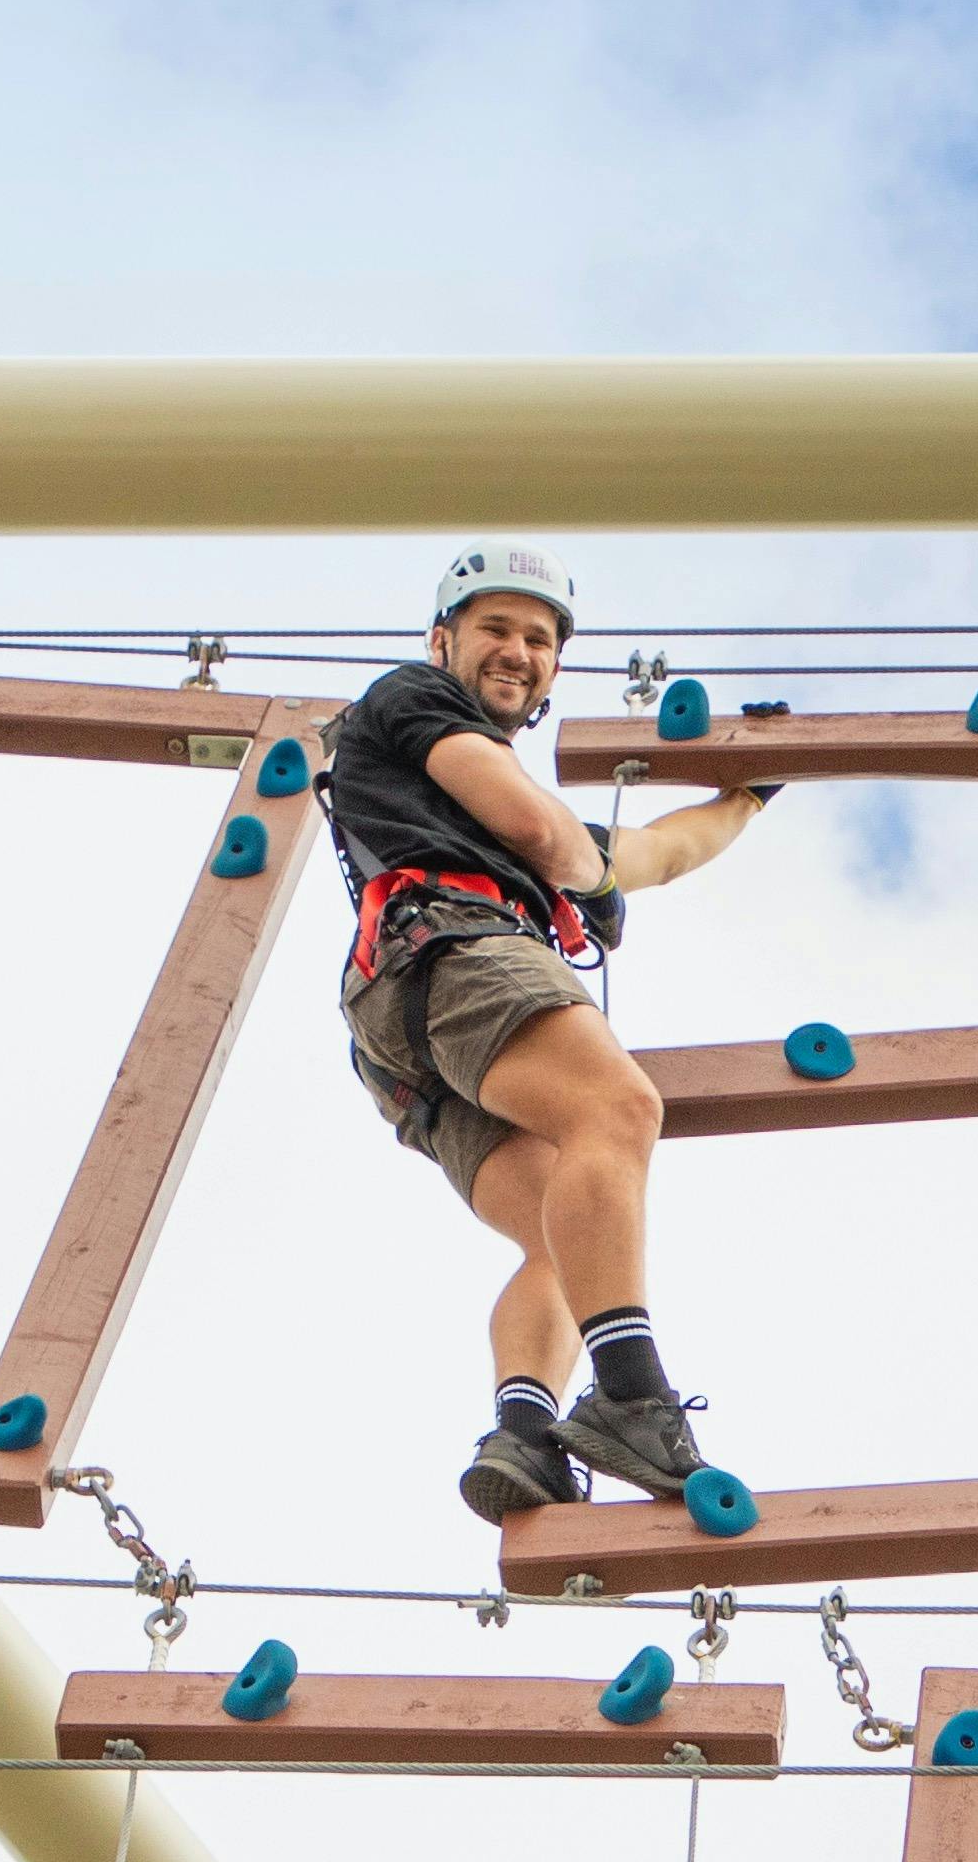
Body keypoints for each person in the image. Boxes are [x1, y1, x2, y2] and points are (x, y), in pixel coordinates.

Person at [321, 545, 788, 1523]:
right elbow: (538, 831)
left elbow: (659, 852)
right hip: (451, 945)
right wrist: (590, 876)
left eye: (539, 639)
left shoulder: (517, 820)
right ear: (442, 640)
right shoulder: (413, 699)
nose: (518, 651)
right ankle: (631, 1396)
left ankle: (525, 1435)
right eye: (495, 627)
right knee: (617, 1111)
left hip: (405, 1024)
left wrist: (745, 798)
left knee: (565, 1240)